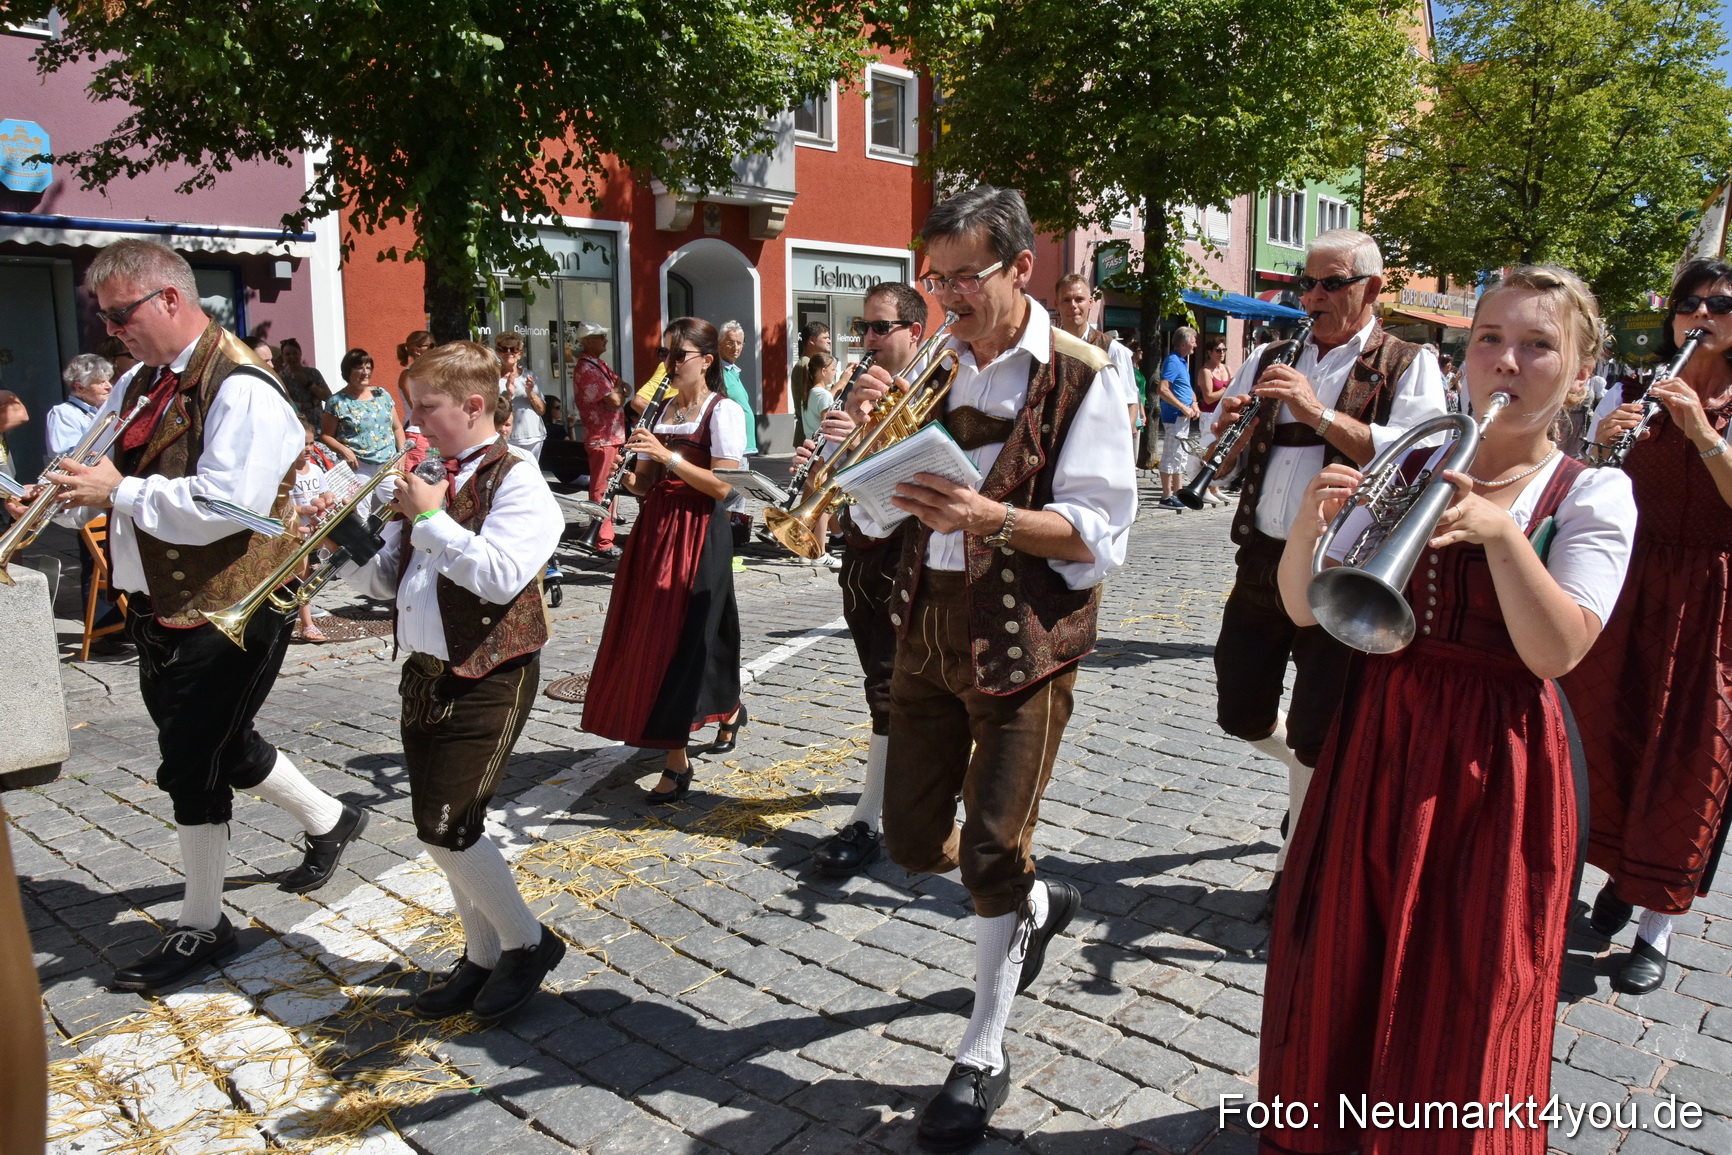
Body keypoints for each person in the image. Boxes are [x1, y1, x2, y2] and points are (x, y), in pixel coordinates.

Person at [1261, 266, 1635, 1154]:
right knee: (1351, 936)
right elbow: (1305, 607)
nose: (1508, 361)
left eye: (1540, 345)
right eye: (1491, 341)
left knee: (1470, 961)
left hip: (1496, 753)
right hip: (1382, 725)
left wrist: (1505, 533)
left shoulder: (1591, 492)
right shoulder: (1415, 457)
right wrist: (1314, 529)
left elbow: (1558, 650)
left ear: (1580, 372)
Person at [835, 186, 1137, 1149]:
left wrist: (993, 520)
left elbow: (1099, 537)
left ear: (1019, 268)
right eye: (937, 279)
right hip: (925, 626)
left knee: (993, 846)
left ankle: (982, 1050)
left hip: (1025, 641)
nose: (947, 297)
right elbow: (881, 519)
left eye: (965, 277)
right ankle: (1038, 903)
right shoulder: (932, 363)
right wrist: (863, 460)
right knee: (914, 839)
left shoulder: (1085, 377)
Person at [39, 239, 366, 991]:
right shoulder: (141, 383)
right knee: (221, 741)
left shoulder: (242, 387)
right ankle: (330, 819)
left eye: (121, 314)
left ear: (170, 301)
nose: (111, 330)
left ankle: (202, 922)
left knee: (192, 760)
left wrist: (115, 492)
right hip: (166, 602)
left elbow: (227, 506)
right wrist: (55, 498)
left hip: (236, 605)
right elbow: (107, 478)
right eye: (105, 316)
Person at [335, 340, 567, 1023]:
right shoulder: (430, 471)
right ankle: (481, 953)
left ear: (472, 405)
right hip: (426, 671)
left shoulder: (520, 478)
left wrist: (431, 517)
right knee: (444, 824)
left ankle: (527, 942)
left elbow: (498, 575)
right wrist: (342, 542)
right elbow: (388, 578)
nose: (413, 423)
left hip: (490, 671)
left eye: (425, 408)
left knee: (446, 827)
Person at [1204, 230, 1445, 886]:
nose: (1312, 296)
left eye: (1330, 283)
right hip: (1260, 559)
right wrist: (1219, 429)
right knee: (1240, 708)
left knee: (1316, 724)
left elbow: (1419, 460)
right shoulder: (1273, 355)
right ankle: (1313, 782)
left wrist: (1317, 413)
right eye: (1305, 284)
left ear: (1371, 288)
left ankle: (1297, 863)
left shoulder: (1406, 362)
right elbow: (1224, 462)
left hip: (1344, 566)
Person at [1563, 257, 1732, 995]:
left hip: (1714, 599)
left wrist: (1700, 430)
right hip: (1637, 585)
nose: (1699, 314)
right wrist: (1602, 447)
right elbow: (1603, 488)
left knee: (1692, 755)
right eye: (1688, 303)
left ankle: (1655, 929)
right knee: (1616, 735)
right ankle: (1620, 882)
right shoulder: (1640, 391)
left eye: (1719, 303)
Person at [582, 319, 748, 802]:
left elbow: (727, 489)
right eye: (666, 354)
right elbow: (646, 484)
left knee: (687, 638)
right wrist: (626, 470)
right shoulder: (661, 410)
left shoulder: (724, 411)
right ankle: (727, 710)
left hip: (700, 532)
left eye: (680, 356)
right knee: (658, 633)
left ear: (706, 361)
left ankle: (677, 759)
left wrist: (669, 458)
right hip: (656, 530)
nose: (670, 364)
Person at [799, 281, 930, 877]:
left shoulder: (932, 391)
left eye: (881, 328)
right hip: (862, 553)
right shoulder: (855, 392)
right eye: (863, 329)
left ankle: (868, 817)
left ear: (913, 332)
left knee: (892, 685)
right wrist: (833, 447)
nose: (869, 340)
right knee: (881, 680)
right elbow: (826, 483)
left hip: (914, 552)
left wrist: (873, 426)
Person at [48, 353, 119, 627]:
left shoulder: (106, 412)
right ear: (79, 386)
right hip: (88, 497)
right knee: (94, 562)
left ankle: (120, 624)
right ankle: (103, 630)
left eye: (108, 380)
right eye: (100, 382)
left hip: (111, 492)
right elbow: (68, 455)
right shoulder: (64, 414)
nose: (108, 386)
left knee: (115, 558)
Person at [323, 348, 406, 521]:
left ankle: (393, 546)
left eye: (368, 367)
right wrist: (344, 450)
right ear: (347, 371)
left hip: (388, 462)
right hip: (359, 465)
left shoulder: (382, 395)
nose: (365, 372)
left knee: (400, 506)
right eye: (359, 368)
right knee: (359, 511)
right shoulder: (337, 402)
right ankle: (362, 548)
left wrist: (402, 454)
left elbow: (397, 428)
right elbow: (326, 435)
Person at [1054, 273, 1142, 432]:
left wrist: (1119, 446)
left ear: (1090, 302)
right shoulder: (1045, 347)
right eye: (1066, 300)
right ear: (1057, 304)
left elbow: (1130, 403)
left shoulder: (1112, 349)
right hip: (1054, 443)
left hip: (1097, 440)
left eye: (1079, 299)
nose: (1073, 305)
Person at [569, 320, 627, 559]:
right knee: (602, 488)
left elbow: (624, 388)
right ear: (587, 341)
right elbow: (615, 400)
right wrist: (618, 391)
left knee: (609, 486)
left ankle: (605, 534)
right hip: (602, 437)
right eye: (601, 336)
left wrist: (618, 390)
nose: (605, 340)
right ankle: (602, 540)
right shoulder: (587, 369)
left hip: (611, 435)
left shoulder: (599, 365)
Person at [288, 422, 333, 643]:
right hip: (295, 532)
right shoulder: (285, 472)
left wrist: (326, 501)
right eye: (302, 444)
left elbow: (325, 493)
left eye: (311, 443)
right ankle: (307, 625)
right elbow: (279, 504)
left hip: (317, 529)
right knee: (303, 578)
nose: (308, 449)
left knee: (315, 574)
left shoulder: (315, 469)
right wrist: (301, 509)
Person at [1156, 327, 1202, 507]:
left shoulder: (1182, 362)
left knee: (1180, 455)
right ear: (1183, 343)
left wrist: (1194, 403)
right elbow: (1162, 389)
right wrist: (1183, 406)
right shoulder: (1173, 361)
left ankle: (1178, 492)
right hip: (1174, 416)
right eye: (1193, 341)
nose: (1195, 345)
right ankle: (1166, 496)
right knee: (1171, 455)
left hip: (1183, 416)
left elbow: (1187, 388)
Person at [1189, 338, 1232, 506]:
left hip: (1223, 413)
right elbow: (1208, 396)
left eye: (1224, 350)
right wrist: (1225, 390)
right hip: (1209, 414)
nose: (1222, 354)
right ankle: (1204, 488)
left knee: (1222, 450)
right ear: (1209, 352)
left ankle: (1215, 487)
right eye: (1218, 350)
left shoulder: (1226, 368)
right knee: (1208, 450)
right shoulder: (1205, 371)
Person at [495, 332, 548, 460]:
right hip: (505, 435)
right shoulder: (492, 378)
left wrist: (530, 392)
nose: (509, 352)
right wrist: (507, 395)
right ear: (497, 352)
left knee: (531, 473)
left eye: (513, 349)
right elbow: (490, 410)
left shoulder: (529, 376)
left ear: (520, 354)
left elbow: (542, 410)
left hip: (532, 435)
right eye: (504, 349)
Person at [718, 320, 759, 456]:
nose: (735, 347)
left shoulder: (733, 371)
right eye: (730, 342)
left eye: (739, 343)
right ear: (719, 343)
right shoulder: (718, 372)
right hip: (732, 447)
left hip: (745, 447)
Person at [789, 321, 831, 442]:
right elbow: (817, 401)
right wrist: (843, 382)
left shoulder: (809, 364)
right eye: (825, 337)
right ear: (812, 340)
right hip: (810, 435)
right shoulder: (805, 365)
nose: (829, 341)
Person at [278, 337, 331, 431]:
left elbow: (328, 397)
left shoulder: (313, 373)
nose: (292, 357)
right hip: (295, 424)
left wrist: (308, 383)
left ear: (300, 353)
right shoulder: (281, 377)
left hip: (317, 423)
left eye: (295, 353)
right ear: (283, 356)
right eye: (288, 354)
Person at [396, 329, 435, 396]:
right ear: (416, 350)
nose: (434, 349)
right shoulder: (408, 375)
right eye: (431, 346)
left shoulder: (432, 371)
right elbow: (414, 405)